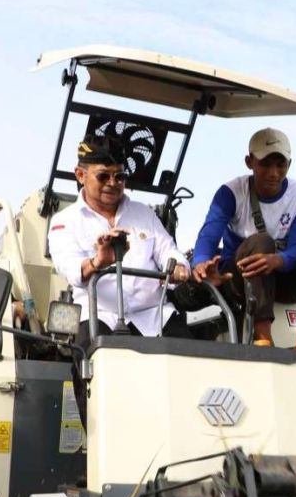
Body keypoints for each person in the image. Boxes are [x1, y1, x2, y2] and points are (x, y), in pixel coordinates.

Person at [191, 128, 296, 359]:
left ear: (290, 164)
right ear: (250, 162)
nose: (274, 173)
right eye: (265, 164)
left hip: (281, 278)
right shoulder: (231, 192)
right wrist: (200, 262)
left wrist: (278, 260)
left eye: (281, 165)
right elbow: (209, 234)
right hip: (239, 280)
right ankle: (263, 337)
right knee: (262, 242)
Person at [48, 135, 192, 346]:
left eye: (120, 176)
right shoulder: (64, 221)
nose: (113, 183)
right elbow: (71, 269)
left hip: (154, 315)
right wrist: (100, 261)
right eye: (103, 176)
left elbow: (167, 250)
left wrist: (178, 267)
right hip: (100, 316)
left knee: (193, 356)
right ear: (80, 175)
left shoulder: (145, 214)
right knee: (95, 361)